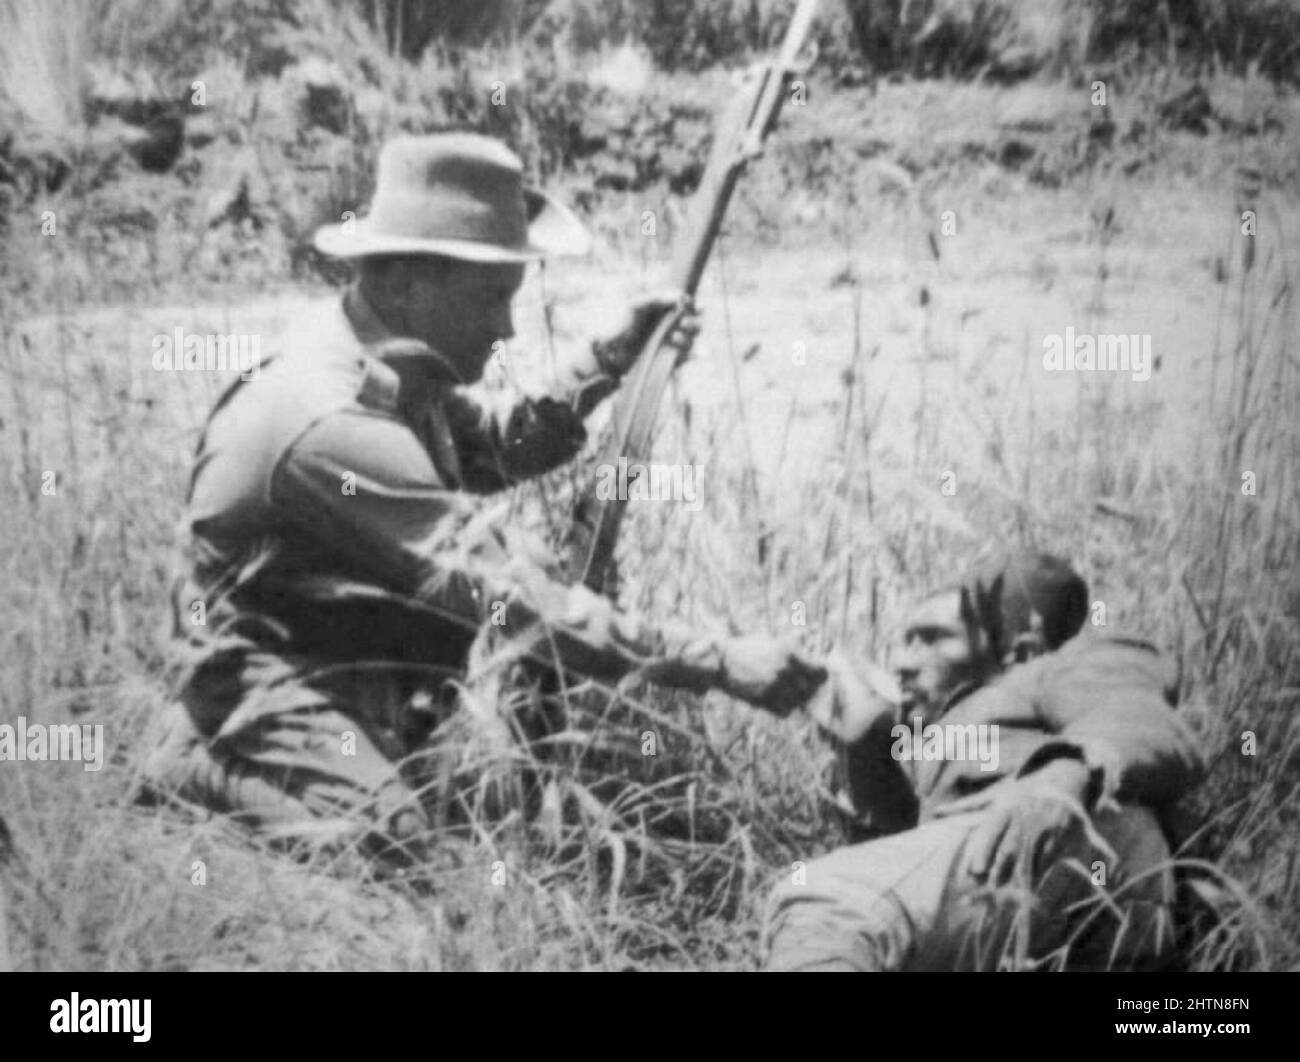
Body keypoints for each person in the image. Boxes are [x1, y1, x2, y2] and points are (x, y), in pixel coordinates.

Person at [140, 133, 826, 863]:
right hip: (252, 670)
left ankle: (362, 745)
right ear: (407, 285)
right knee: (386, 842)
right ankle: (194, 767)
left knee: (441, 795)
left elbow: (494, 450)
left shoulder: (393, 357)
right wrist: (720, 662)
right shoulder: (332, 418)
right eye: (492, 300)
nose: (506, 328)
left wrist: (610, 360)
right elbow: (520, 603)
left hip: (337, 642)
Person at [767, 552, 1205, 971]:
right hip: (1032, 887)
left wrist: (1061, 777)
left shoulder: (1054, 666)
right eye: (903, 642)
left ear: (1017, 645)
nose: (902, 662)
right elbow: (913, 857)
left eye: (933, 638)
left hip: (1076, 836)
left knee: (830, 902)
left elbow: (1137, 714)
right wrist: (865, 743)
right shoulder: (943, 736)